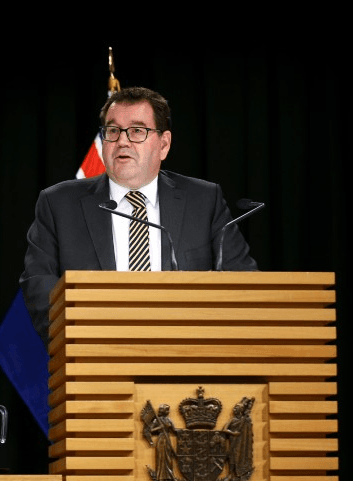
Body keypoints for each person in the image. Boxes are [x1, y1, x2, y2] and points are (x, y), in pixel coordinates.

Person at [19, 87, 257, 340]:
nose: (122, 141)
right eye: (113, 130)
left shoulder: (204, 201)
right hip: (95, 353)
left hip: (187, 352)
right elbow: (38, 285)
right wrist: (86, 337)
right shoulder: (59, 204)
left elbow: (244, 284)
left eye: (137, 131)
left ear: (163, 144)